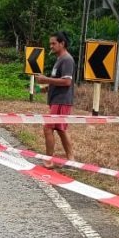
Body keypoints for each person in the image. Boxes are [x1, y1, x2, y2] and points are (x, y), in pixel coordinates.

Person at [35, 31, 75, 166]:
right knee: (61, 129)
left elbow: (67, 82)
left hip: (61, 100)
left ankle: (49, 160)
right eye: (50, 43)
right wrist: (45, 87)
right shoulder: (59, 60)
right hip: (57, 99)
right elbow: (58, 81)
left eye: (54, 43)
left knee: (48, 128)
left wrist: (46, 79)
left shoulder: (67, 60)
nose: (51, 46)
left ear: (62, 43)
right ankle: (71, 160)